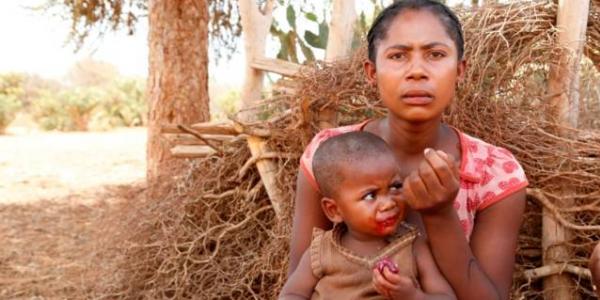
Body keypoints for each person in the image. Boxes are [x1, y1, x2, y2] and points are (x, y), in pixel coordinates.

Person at [289, 1, 529, 299]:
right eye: (398, 55)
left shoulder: (494, 174)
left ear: (460, 70)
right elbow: (298, 284)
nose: (417, 71)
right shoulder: (330, 156)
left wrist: (440, 214)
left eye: (436, 54)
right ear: (371, 72)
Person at [279, 131, 455, 299]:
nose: (388, 203)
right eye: (370, 196)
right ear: (334, 210)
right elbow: (292, 294)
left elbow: (446, 297)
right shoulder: (322, 252)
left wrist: (412, 296)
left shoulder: (412, 246)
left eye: (395, 186)